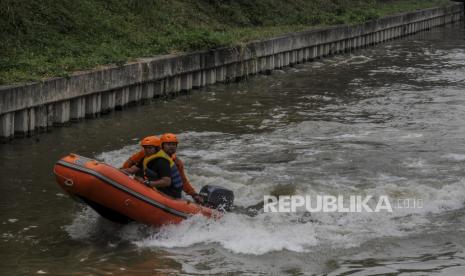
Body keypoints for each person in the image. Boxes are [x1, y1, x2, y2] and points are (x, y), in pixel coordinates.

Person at [121, 133, 202, 202]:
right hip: (158, 182)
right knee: (139, 172)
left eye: (174, 144)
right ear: (161, 146)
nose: (171, 147)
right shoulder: (147, 154)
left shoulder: (170, 162)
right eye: (168, 144)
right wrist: (119, 172)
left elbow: (182, 181)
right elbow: (131, 165)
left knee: (141, 174)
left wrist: (193, 194)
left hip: (170, 190)